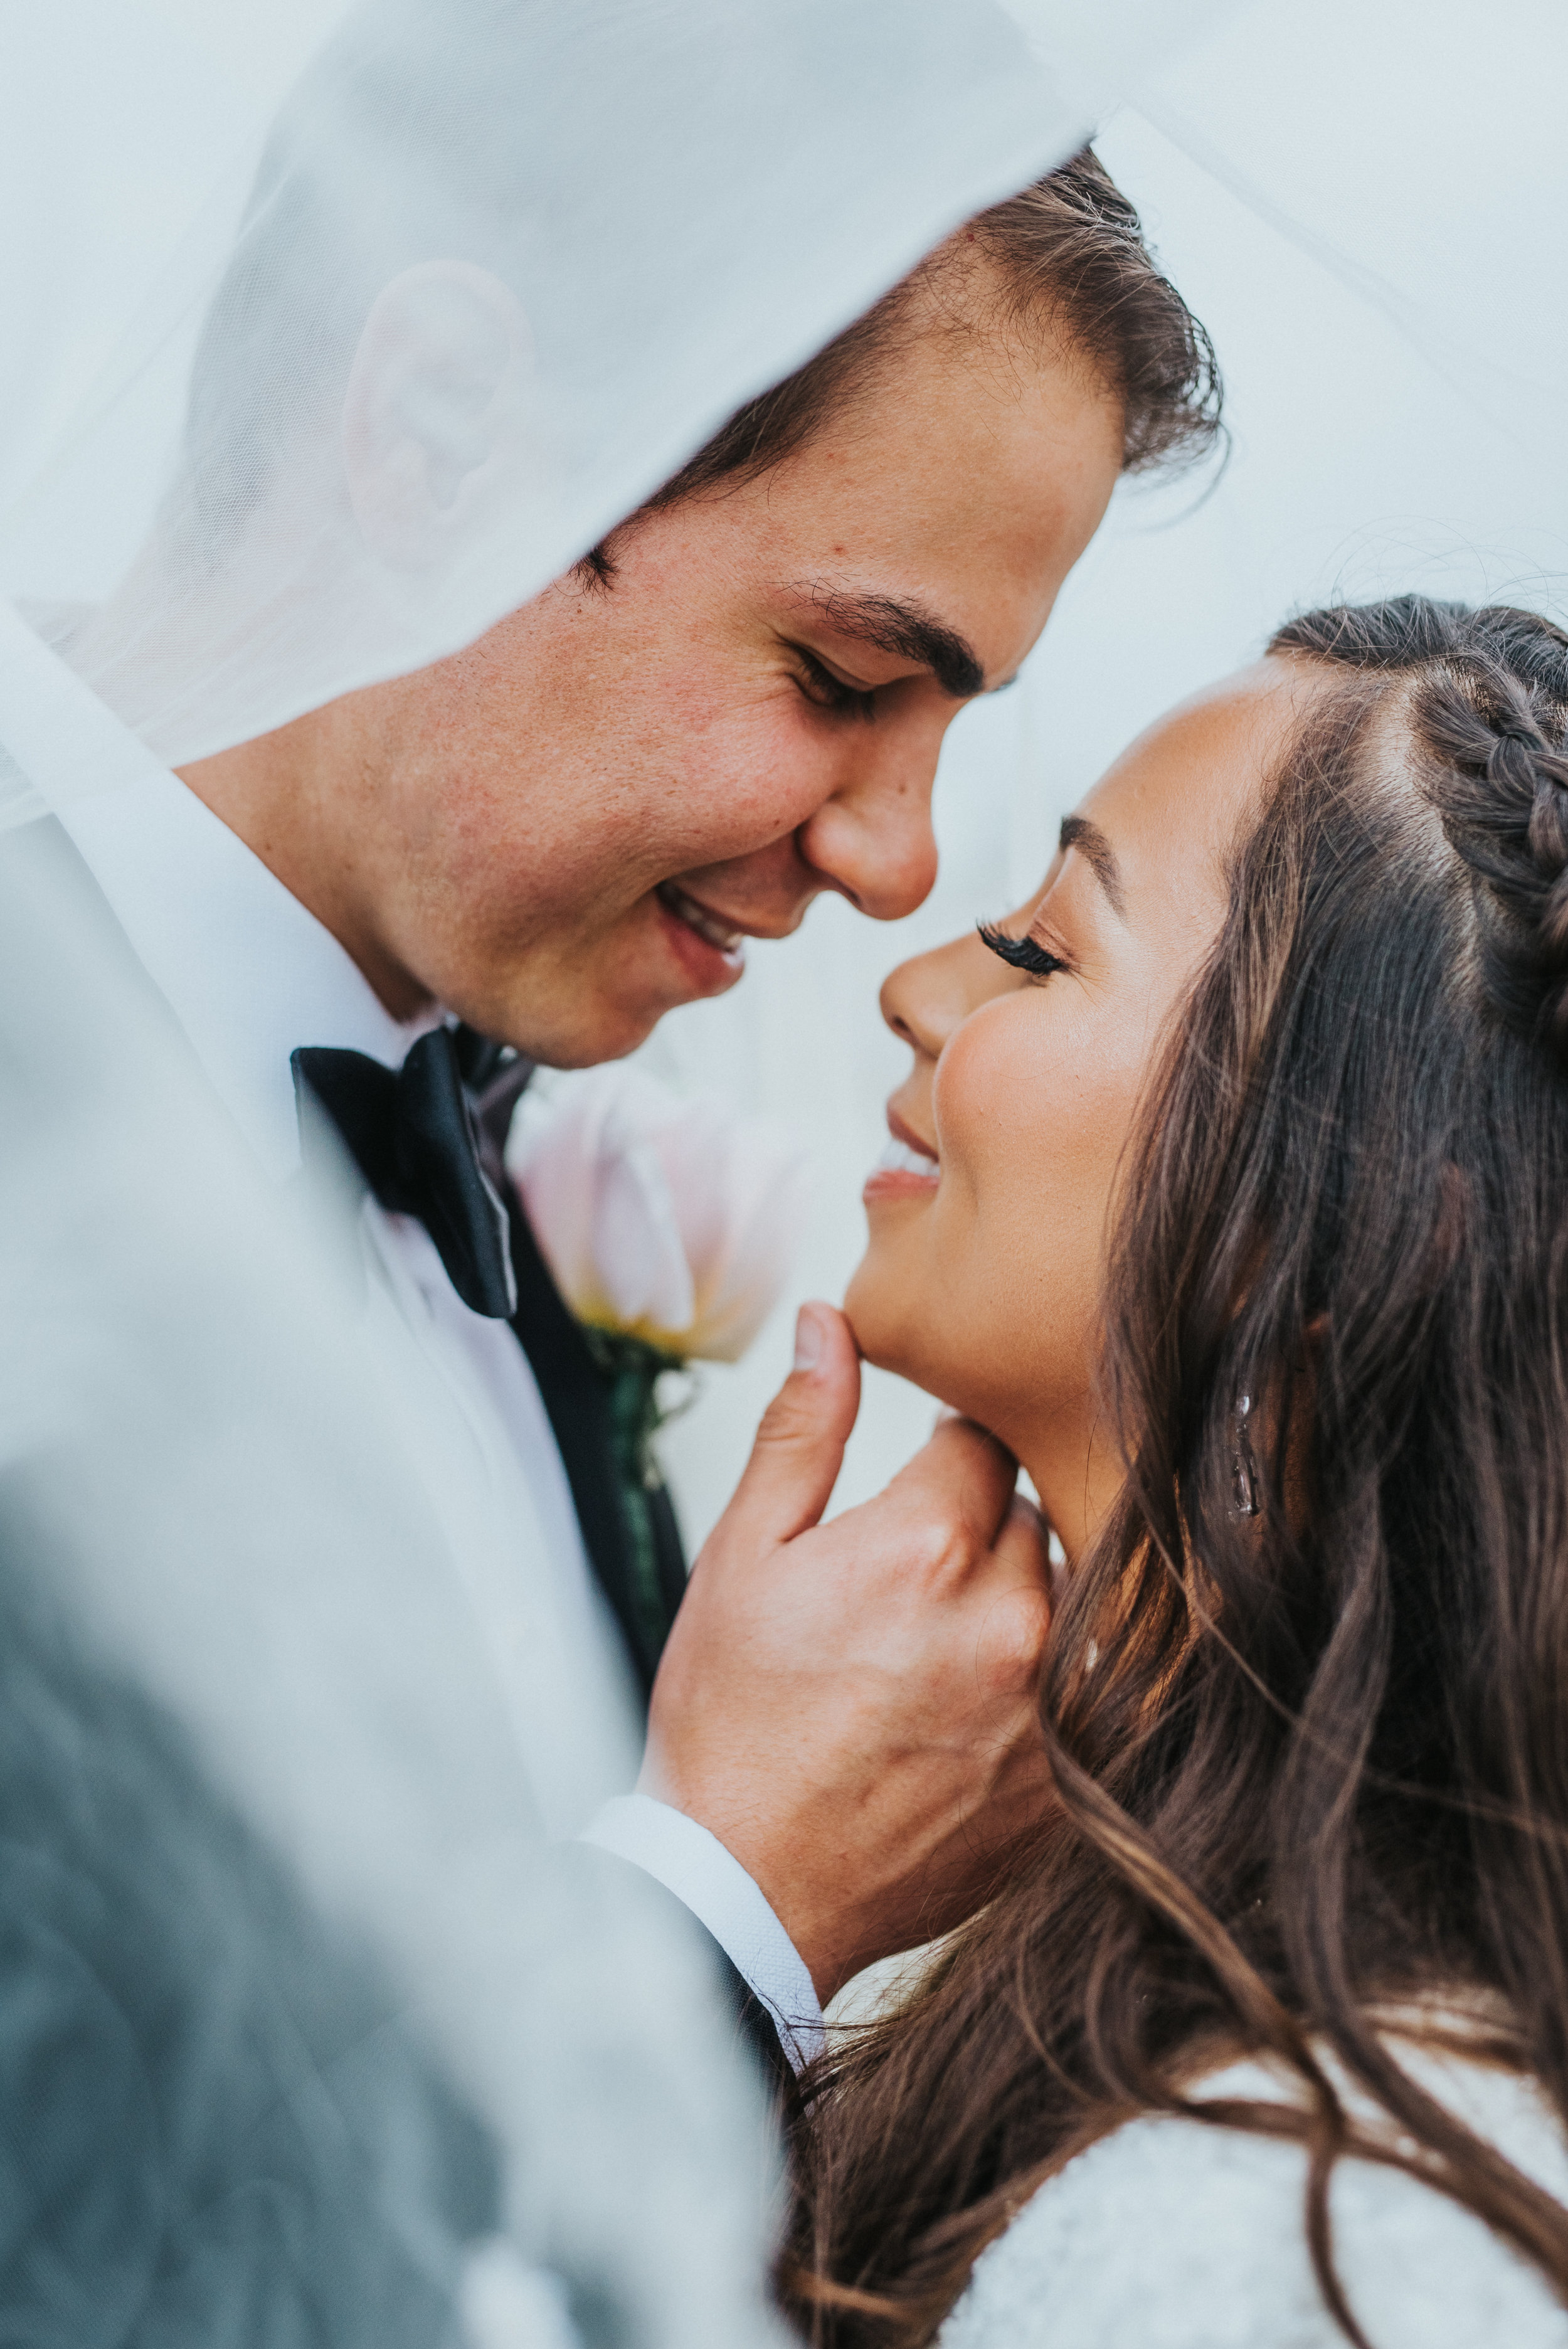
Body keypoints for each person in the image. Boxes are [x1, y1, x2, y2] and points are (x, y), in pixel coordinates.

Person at [2, 43, 1221, 2072]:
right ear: (443, 431)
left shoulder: (498, 1181)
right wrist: (739, 1895)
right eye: (838, 676)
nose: (898, 858)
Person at [652, 595, 1568, 2341]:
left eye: (1042, 949)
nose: (915, 988)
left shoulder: (1288, 2244)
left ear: (1337, 1218)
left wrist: (731, 1891)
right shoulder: (1143, 1940)